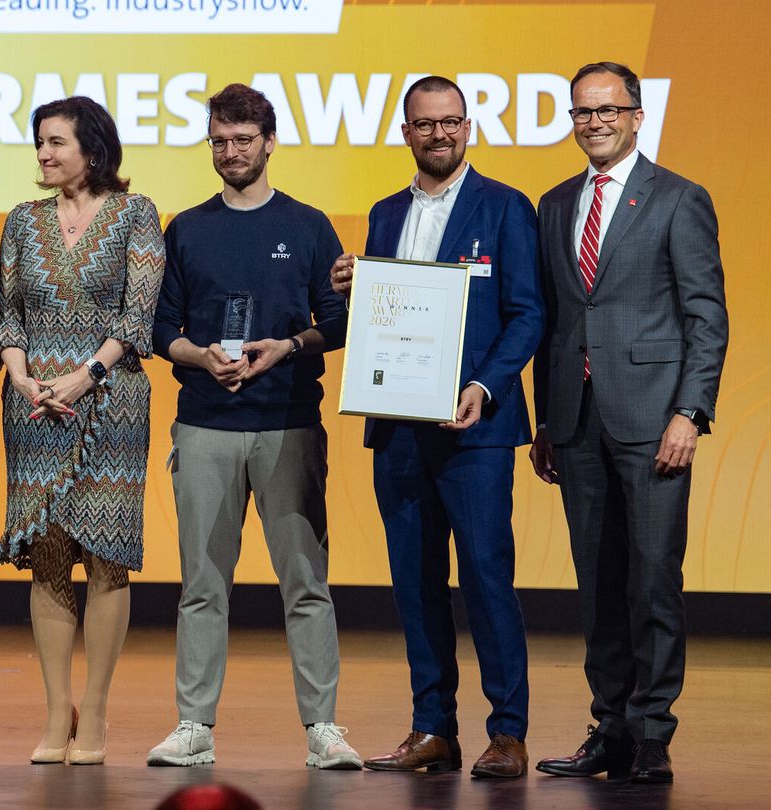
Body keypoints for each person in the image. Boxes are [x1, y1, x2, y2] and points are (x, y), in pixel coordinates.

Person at [329, 75, 544, 778]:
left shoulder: (506, 207)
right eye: (426, 124)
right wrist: (353, 286)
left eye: (451, 122)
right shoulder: (385, 213)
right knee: (415, 583)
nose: (440, 134)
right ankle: (433, 728)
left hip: (474, 428)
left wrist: (484, 385)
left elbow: (527, 315)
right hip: (398, 426)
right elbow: (391, 316)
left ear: (468, 127)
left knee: (486, 577)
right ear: (406, 133)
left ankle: (507, 732)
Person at [147, 83, 360, 770]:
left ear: (269, 142)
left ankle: (323, 727)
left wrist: (287, 348)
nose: (231, 151)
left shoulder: (307, 226)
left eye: (243, 139)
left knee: (306, 583)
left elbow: (338, 322)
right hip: (204, 425)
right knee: (202, 585)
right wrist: (198, 357)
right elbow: (159, 328)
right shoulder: (186, 228)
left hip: (289, 423)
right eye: (219, 141)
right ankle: (193, 726)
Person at [530, 62, 728, 785]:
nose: (595, 122)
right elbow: (550, 322)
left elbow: (706, 315)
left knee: (651, 581)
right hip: (576, 423)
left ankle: (651, 733)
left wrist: (690, 411)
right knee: (597, 583)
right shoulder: (553, 204)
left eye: (608, 109)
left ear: (638, 116)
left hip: (653, 422)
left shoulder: (679, 199)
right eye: (583, 111)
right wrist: (546, 422)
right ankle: (608, 727)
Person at [0, 96, 166, 766]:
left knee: (105, 556)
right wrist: (22, 376)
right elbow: (8, 316)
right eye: (39, 143)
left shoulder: (134, 214)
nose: (44, 154)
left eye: (56, 142)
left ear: (93, 148)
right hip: (34, 408)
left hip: (110, 403)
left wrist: (86, 374)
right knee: (46, 553)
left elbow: (137, 315)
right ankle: (53, 712)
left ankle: (93, 714)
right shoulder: (21, 221)